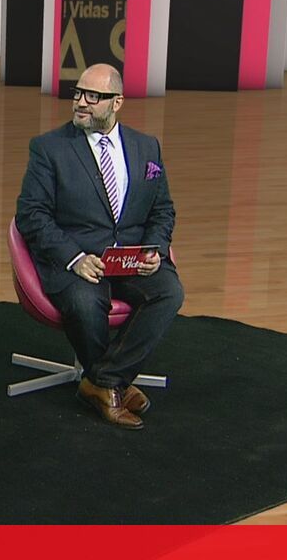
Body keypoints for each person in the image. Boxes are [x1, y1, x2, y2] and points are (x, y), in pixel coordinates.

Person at [15, 63, 183, 430]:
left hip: (130, 259)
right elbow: (31, 215)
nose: (81, 102)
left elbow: (162, 209)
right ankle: (114, 383)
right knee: (84, 302)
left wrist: (155, 249)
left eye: (93, 96)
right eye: (78, 93)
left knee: (169, 291)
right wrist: (74, 258)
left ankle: (104, 381)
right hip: (78, 260)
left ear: (117, 102)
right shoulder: (49, 149)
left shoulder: (147, 147)